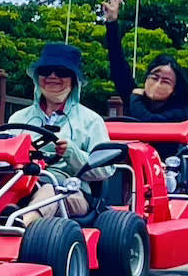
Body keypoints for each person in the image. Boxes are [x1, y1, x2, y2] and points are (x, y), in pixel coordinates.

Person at [6, 41, 111, 218]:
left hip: (71, 191)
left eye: (62, 72)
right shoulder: (18, 118)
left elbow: (105, 170)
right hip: (20, 186)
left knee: (50, 190)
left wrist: (72, 154)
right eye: (46, 71)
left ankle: (22, 223)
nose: (52, 76)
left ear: (74, 80)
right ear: (37, 77)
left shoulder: (91, 120)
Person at [97, 0, 188, 122]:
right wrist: (111, 22)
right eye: (154, 77)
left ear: (174, 89)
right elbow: (118, 66)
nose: (157, 84)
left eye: (165, 81)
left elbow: (148, 122)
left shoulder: (179, 112)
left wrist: (136, 98)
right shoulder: (135, 94)